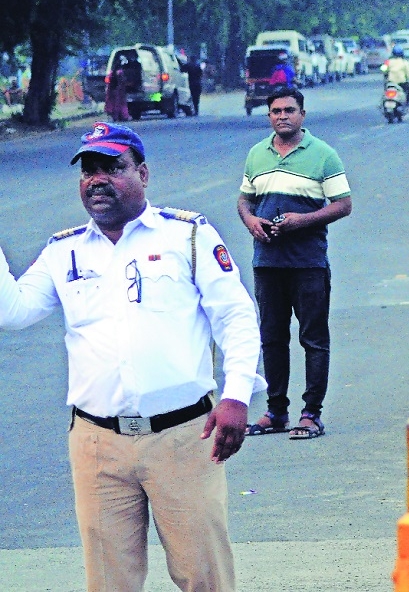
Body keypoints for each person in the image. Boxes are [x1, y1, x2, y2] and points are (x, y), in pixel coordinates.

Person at [0, 122, 265, 590]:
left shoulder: (187, 236)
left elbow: (236, 317)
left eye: (112, 168)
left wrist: (237, 395)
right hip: (97, 443)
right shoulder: (64, 251)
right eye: (88, 171)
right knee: (109, 582)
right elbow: (14, 311)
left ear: (142, 173)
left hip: (184, 436)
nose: (97, 179)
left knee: (204, 576)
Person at [238, 87, 353, 440]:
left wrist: (301, 221)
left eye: (289, 110)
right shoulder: (257, 154)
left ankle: (311, 413)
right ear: (269, 115)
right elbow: (244, 201)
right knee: (272, 338)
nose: (282, 116)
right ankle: (276, 411)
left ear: (302, 114)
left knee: (313, 338)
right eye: (275, 111)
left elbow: (343, 204)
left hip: (308, 262)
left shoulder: (323, 156)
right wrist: (252, 221)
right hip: (267, 262)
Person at [104, 55, 130, 122]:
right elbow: (122, 82)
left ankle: (116, 116)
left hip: (112, 90)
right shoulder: (120, 73)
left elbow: (108, 82)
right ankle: (123, 116)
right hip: (119, 91)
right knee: (121, 104)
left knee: (114, 104)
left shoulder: (111, 73)